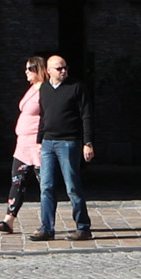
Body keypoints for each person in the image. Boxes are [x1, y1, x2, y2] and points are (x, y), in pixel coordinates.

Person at [31, 54, 95, 242]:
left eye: (65, 67)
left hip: (69, 142)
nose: (63, 71)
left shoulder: (76, 87)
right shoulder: (44, 88)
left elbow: (86, 115)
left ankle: (83, 227)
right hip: (48, 143)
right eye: (59, 68)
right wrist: (39, 139)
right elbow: (43, 115)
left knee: (72, 186)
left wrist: (88, 142)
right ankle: (46, 228)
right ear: (49, 70)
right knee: (46, 186)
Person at [0, 56, 46, 235]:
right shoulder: (32, 88)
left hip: (37, 143)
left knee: (45, 184)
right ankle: (9, 220)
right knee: (17, 181)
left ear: (38, 69)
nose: (26, 72)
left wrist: (42, 139)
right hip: (23, 144)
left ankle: (47, 223)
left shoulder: (46, 90)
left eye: (29, 68)